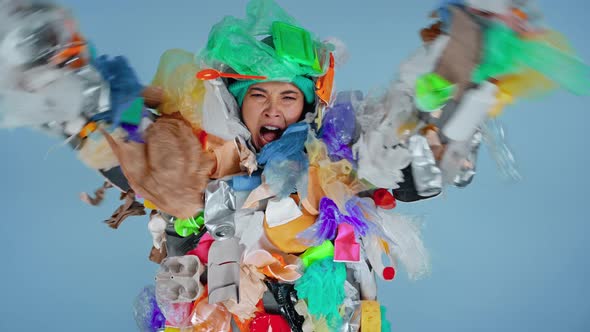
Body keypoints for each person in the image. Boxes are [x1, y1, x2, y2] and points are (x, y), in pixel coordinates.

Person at [1, 0, 589, 331]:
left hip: (322, 319)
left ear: (310, 104)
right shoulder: (200, 158)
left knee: (390, 149)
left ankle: (468, 56)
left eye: (290, 97)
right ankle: (56, 69)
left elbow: (400, 175)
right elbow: (141, 171)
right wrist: (76, 104)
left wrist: (442, 122)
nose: (276, 110)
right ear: (237, 102)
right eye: (260, 94)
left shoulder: (331, 160)